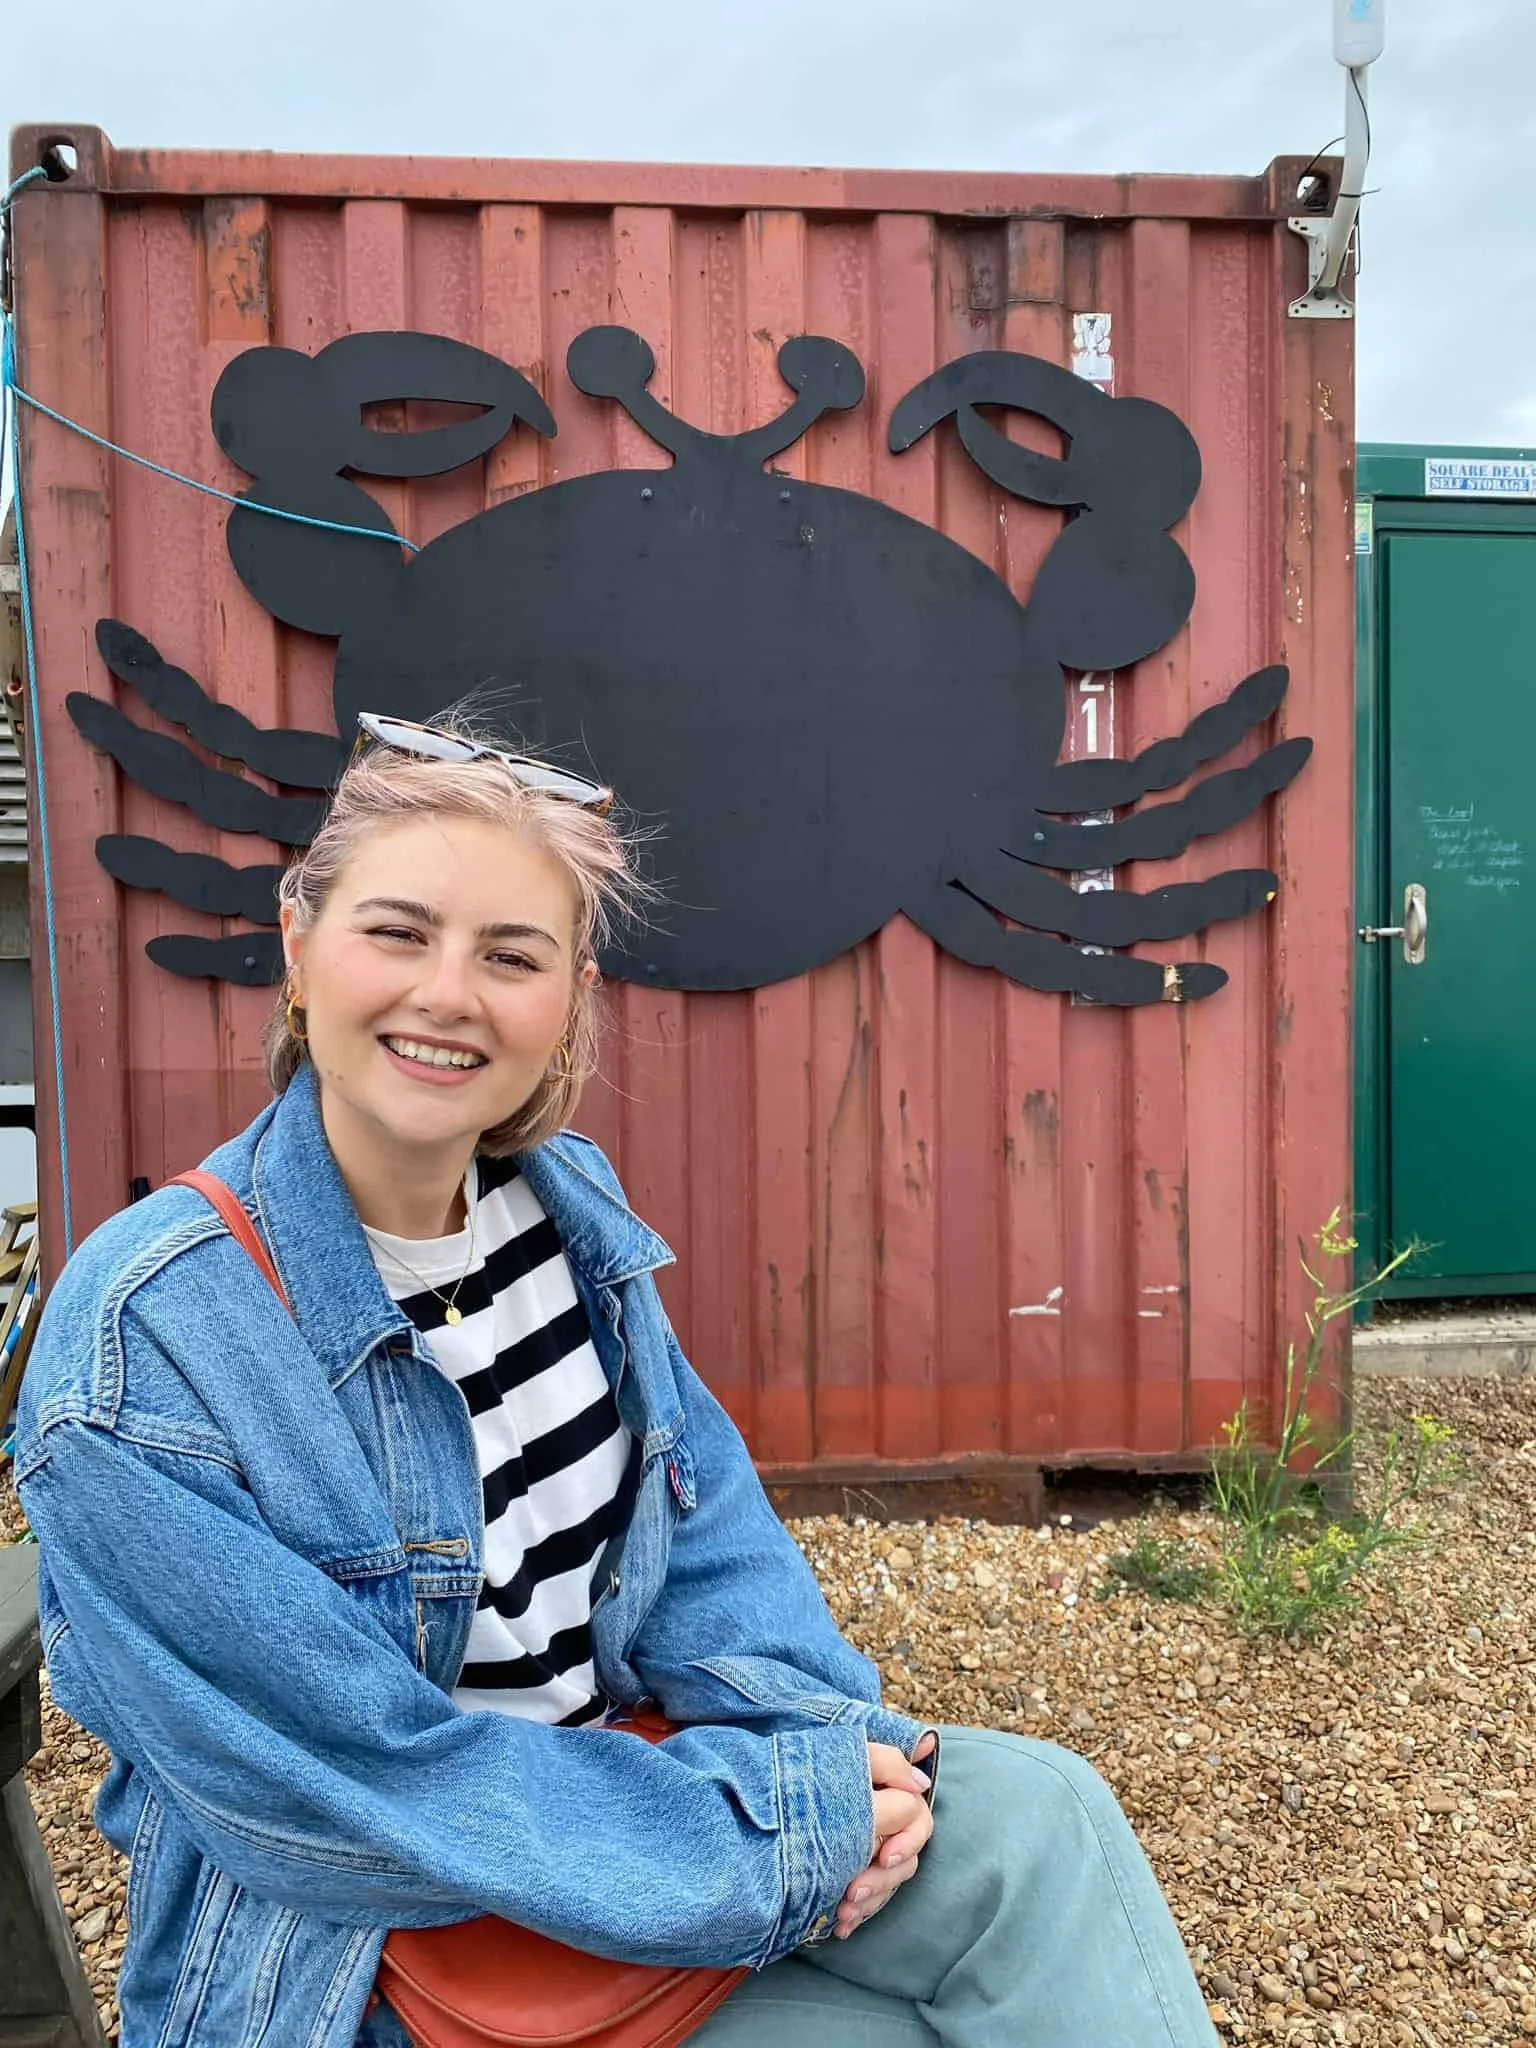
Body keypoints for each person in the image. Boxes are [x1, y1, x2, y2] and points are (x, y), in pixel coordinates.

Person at [15, 714, 1219, 2048]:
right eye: (398, 933)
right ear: (301, 950)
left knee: (1039, 1820)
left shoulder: (564, 1210)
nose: (449, 994)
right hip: (379, 1953)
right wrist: (765, 1838)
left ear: (570, 996)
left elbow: (705, 1547)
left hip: (640, 1802)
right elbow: (343, 1789)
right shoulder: (145, 1346)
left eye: (510, 956)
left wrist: (832, 1749)